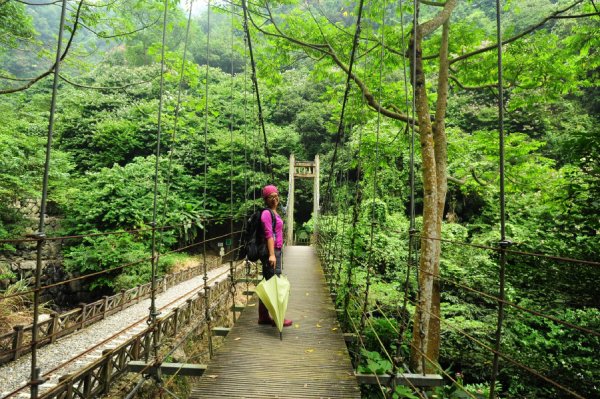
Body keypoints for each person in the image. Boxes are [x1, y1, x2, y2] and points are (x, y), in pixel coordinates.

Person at [258, 184, 293, 327]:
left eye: (276, 196)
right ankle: (278, 317)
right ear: (266, 199)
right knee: (275, 284)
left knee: (269, 282)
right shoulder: (267, 213)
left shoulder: (275, 213)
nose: (274, 199)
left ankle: (263, 317)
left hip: (276, 251)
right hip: (271, 253)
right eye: (270, 197)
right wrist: (272, 255)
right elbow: (268, 235)